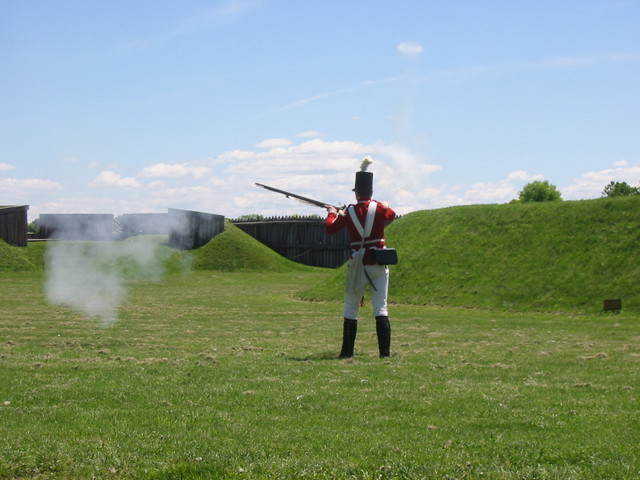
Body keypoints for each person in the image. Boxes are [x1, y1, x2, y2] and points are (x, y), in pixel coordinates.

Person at [325, 158, 397, 358]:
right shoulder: (380, 207)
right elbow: (391, 214)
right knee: (381, 307)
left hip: (358, 262)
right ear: (371, 192)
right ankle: (385, 353)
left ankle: (347, 352)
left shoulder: (348, 212)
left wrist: (332, 213)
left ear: (356, 192)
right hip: (379, 262)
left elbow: (330, 229)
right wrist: (383, 204)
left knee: (350, 307)